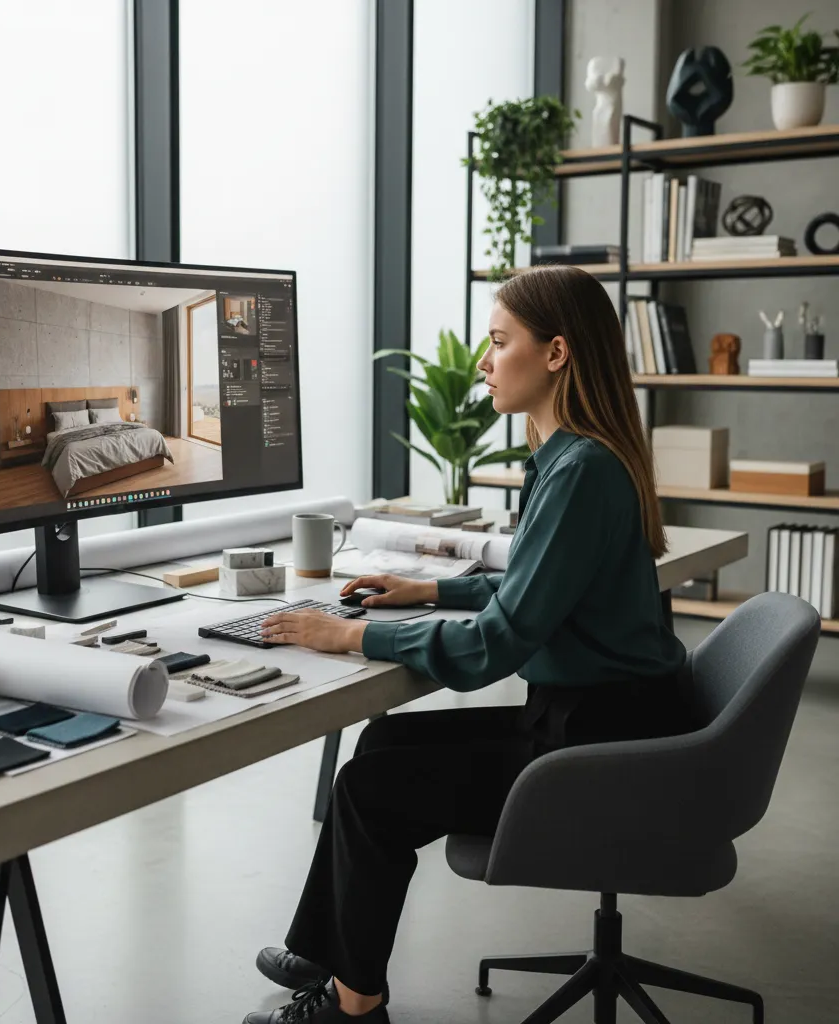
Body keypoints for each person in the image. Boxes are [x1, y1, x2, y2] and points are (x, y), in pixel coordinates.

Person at [241, 265, 697, 1024]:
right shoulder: (575, 458)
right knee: (381, 744)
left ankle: (355, 1007)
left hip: (599, 744)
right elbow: (535, 589)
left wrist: (351, 634)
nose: (485, 362)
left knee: (370, 790)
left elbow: (499, 643)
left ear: (555, 353)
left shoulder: (580, 471)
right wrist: (426, 590)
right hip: (598, 717)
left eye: (499, 342)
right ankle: (328, 949)